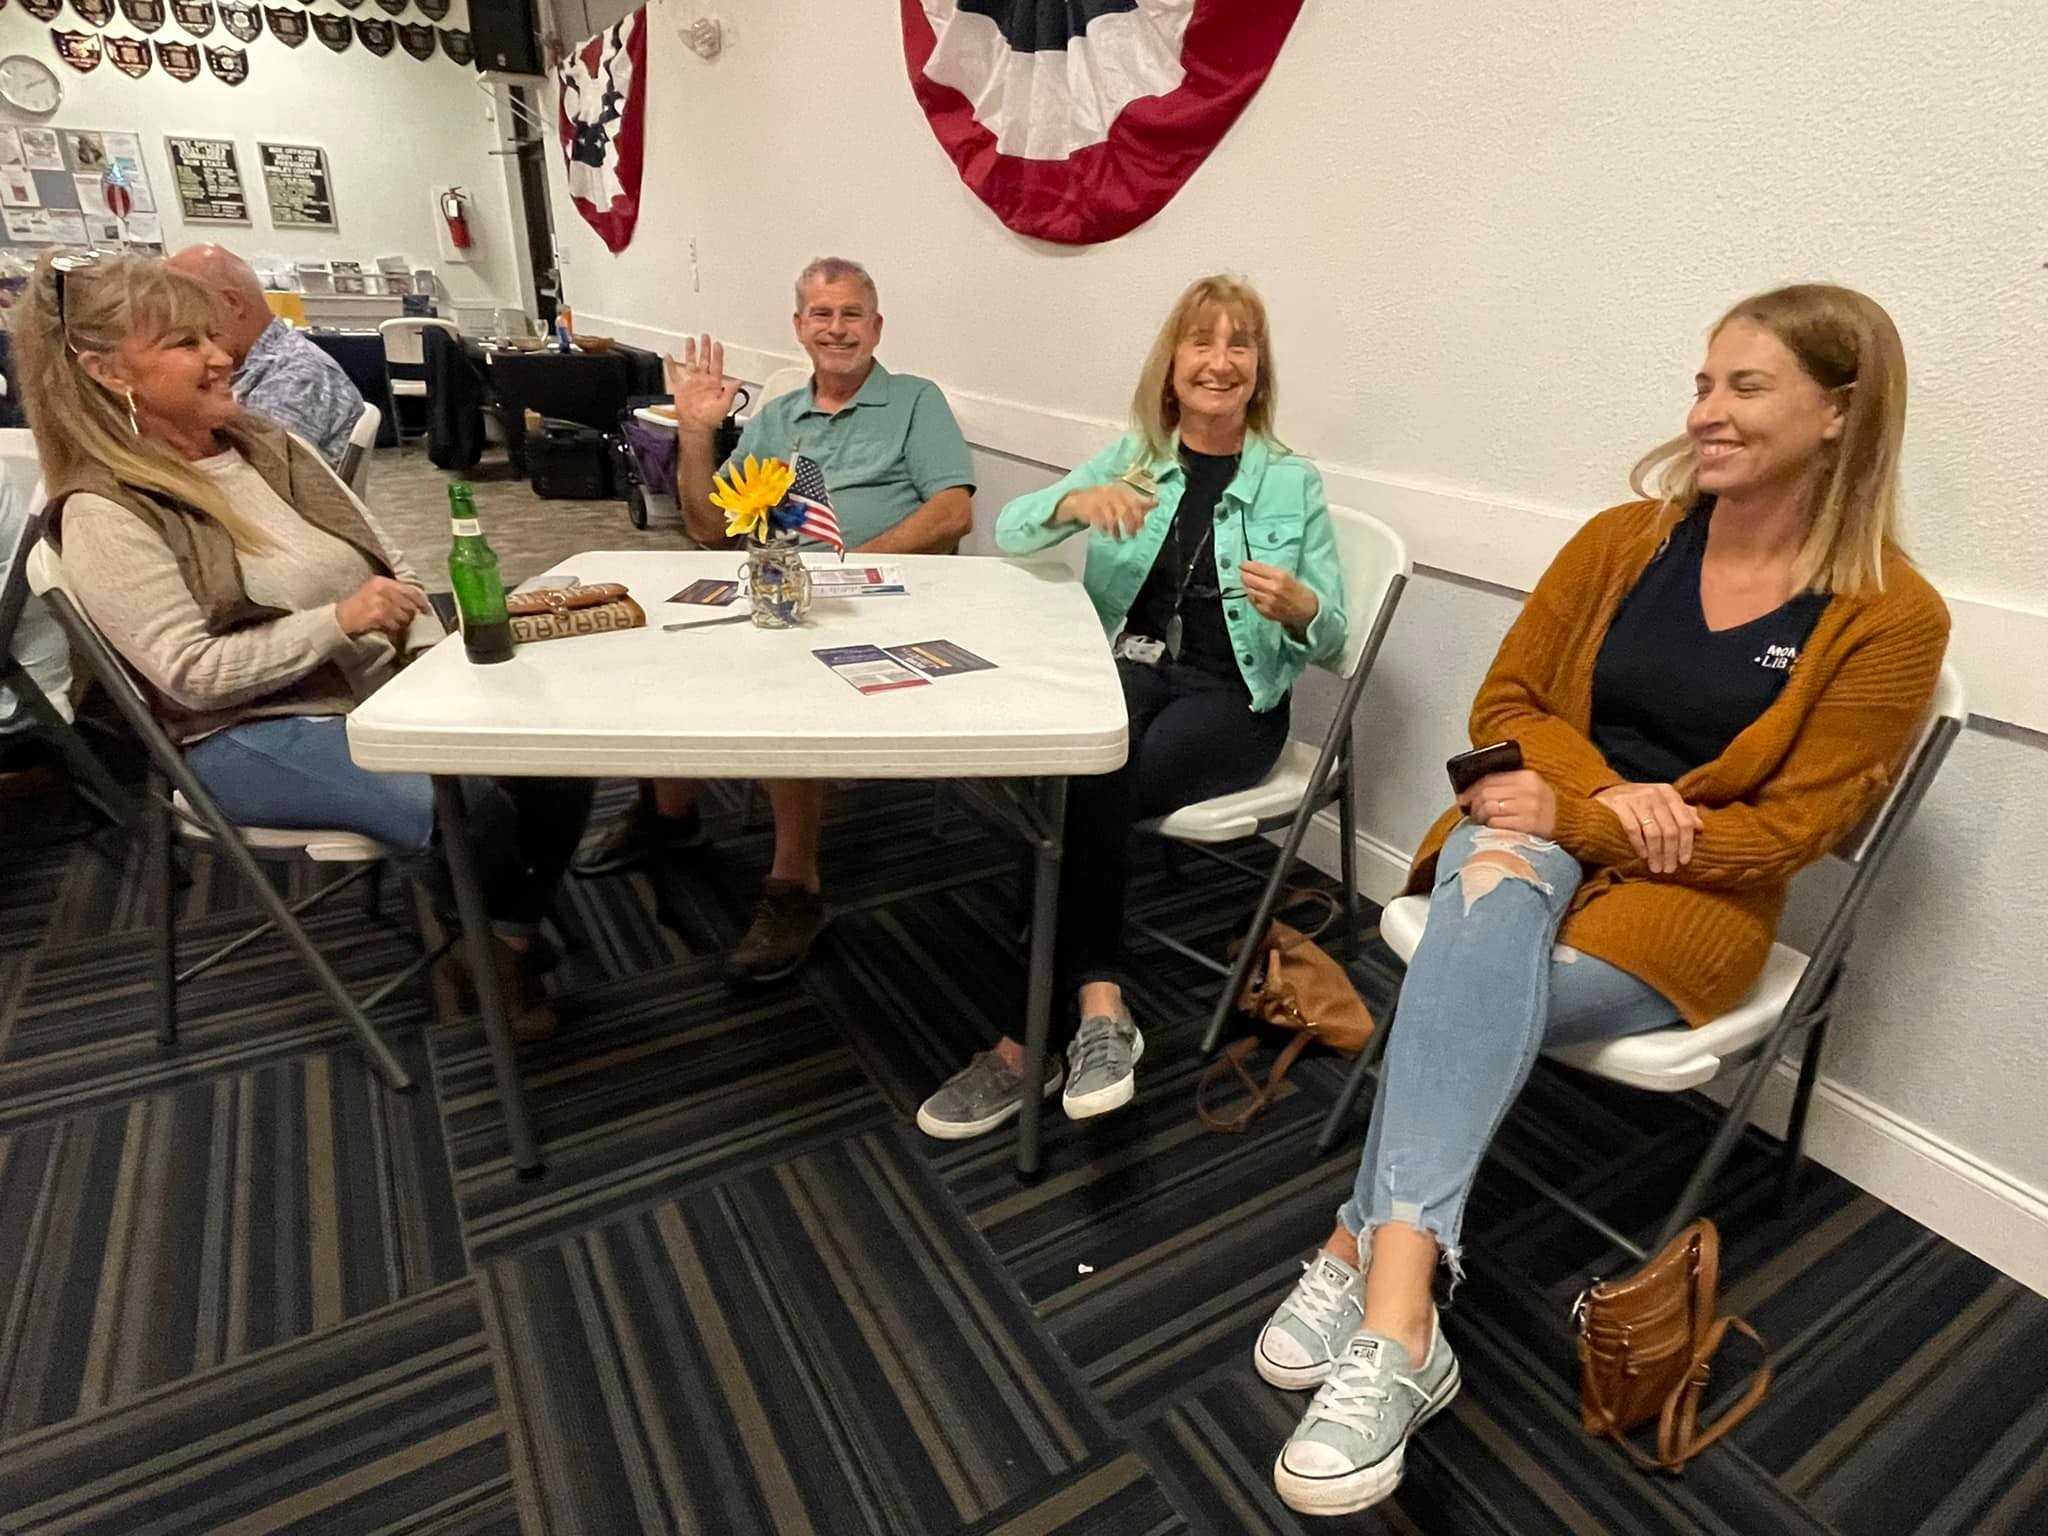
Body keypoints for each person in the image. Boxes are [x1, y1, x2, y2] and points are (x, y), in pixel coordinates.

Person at [1253, 284, 1949, 1518]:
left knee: (1465, 977)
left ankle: (1357, 1243)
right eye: (1701, 383)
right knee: (1489, 900)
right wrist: (1605, 801)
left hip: (1696, 892)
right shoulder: (1624, 539)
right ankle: (1404, 1321)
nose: (1705, 411)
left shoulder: (1891, 615)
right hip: (1532, 826)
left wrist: (1588, 820)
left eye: (1744, 386)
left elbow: (1791, 831)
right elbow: (1507, 706)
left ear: (1839, 412)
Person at [15, 250, 592, 1037]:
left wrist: (432, 658)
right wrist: (339, 622)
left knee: (562, 751)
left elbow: (389, 560)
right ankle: (495, 953)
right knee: (471, 803)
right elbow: (191, 676)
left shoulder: (263, 443)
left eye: (212, 335)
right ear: (108, 371)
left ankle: (499, 943)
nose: (222, 355)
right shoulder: (103, 509)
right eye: (185, 343)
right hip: (242, 733)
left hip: (367, 687)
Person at [915, 274, 1348, 1139]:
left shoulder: (1292, 483)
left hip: (1235, 701)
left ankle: (1023, 1047)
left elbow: (1335, 638)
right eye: (1201, 341)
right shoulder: (1134, 459)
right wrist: (1074, 502)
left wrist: (1305, 608)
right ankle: (1100, 1010)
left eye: (1239, 344)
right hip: (1127, 671)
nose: (1219, 361)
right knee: (1079, 780)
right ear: (1172, 366)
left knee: (1080, 789)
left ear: (1259, 370)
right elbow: (1015, 531)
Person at [573, 257, 977, 984]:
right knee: (655, 647)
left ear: (877, 327)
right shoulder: (777, 418)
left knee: (785, 687)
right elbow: (709, 529)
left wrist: (842, 568)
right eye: (821, 314)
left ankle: (795, 887)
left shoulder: (917, 400)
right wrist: (696, 432)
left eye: (852, 314)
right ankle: (670, 815)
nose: (837, 328)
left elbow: (952, 512)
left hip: (885, 598)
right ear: (799, 327)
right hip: (780, 588)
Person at [167, 243, 367, 466]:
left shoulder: (296, 373)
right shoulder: (253, 366)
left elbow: (260, 469)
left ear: (232, 303)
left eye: (185, 310)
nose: (176, 324)